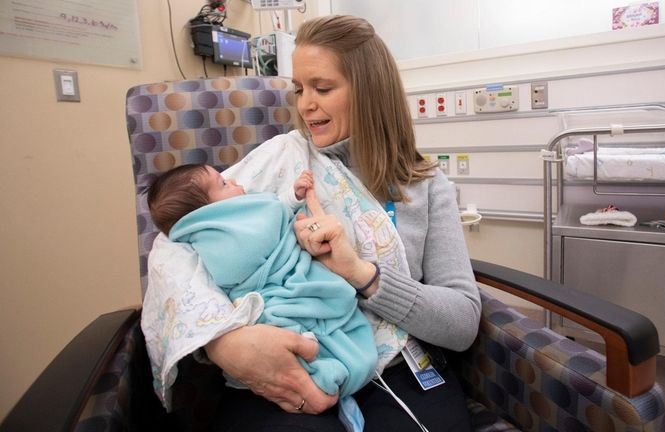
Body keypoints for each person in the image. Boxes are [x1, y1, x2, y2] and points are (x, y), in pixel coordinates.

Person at [141, 14, 481, 432]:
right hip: (291, 359)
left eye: (322, 88)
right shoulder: (280, 158)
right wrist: (224, 343)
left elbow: (462, 321)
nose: (305, 105)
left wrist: (362, 274)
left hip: (395, 366)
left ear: (371, 92)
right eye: (299, 89)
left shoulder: (427, 187)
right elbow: (176, 245)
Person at [146, 164, 377, 430]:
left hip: (288, 288)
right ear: (209, 212)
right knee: (286, 326)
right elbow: (270, 216)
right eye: (222, 184)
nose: (232, 180)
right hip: (271, 302)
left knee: (308, 327)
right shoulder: (212, 239)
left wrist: (292, 196)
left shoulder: (248, 211)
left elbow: (276, 210)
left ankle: (327, 371)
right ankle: (321, 372)